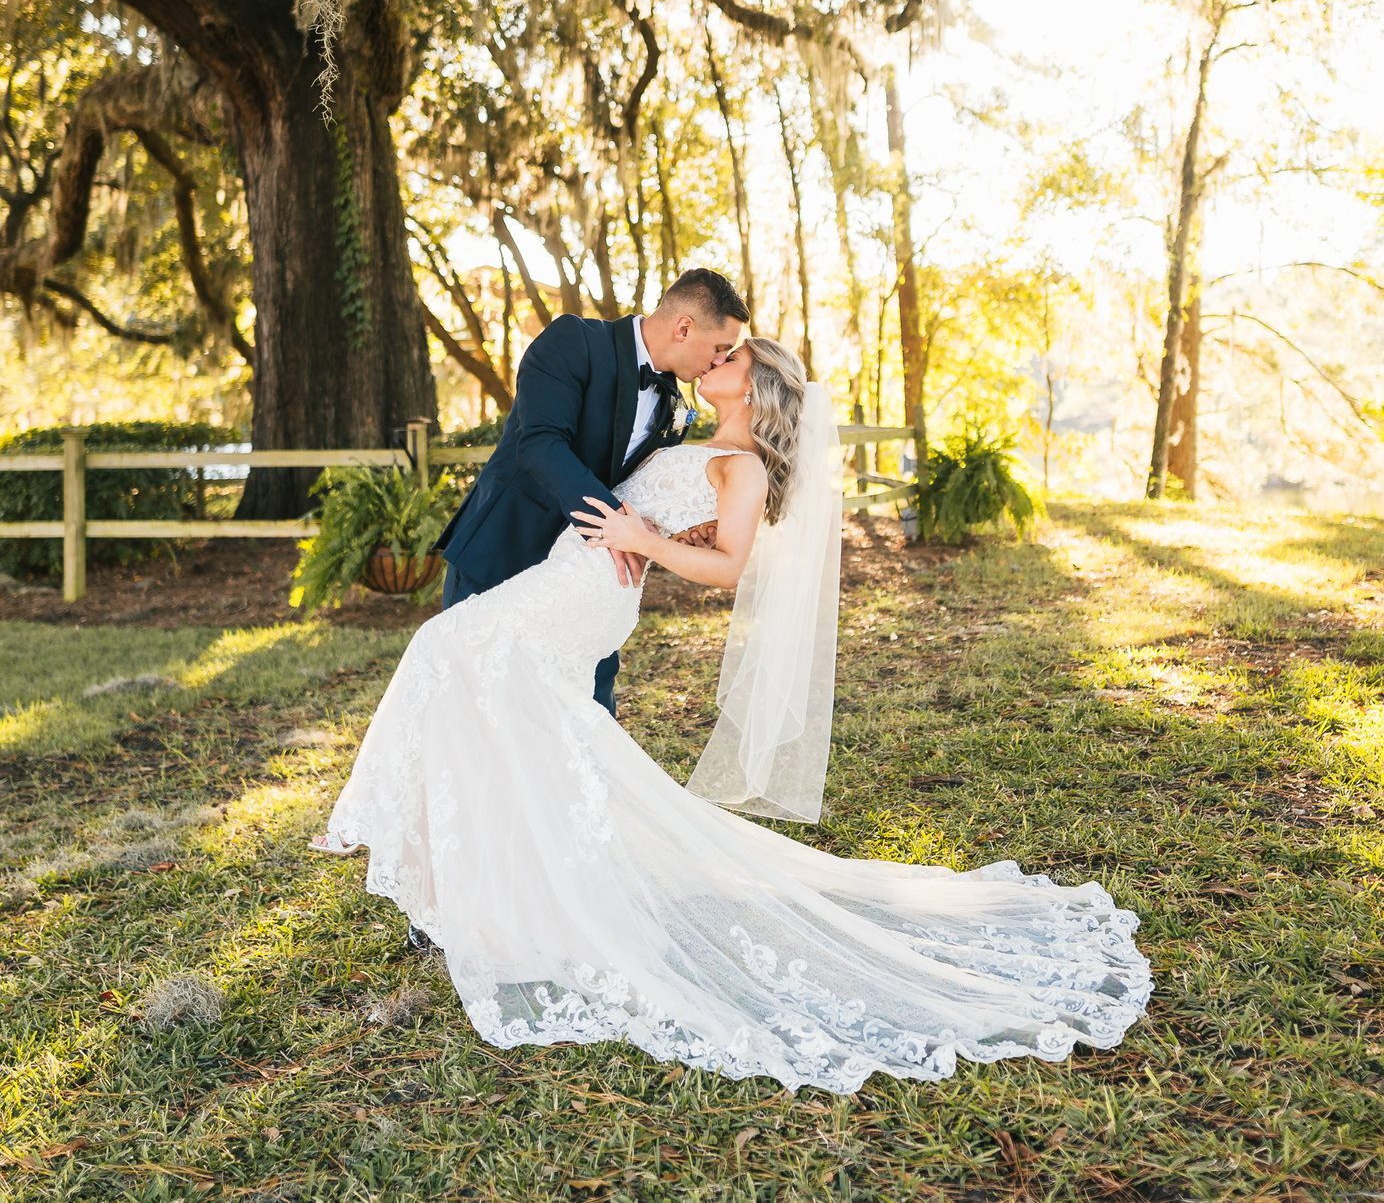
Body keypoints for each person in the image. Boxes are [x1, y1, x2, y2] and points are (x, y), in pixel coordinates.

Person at [312, 338, 1152, 1094]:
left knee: (445, 651)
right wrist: (636, 529)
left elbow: (725, 567)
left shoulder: (742, 468)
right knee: (506, 710)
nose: (716, 357)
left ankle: (409, 851)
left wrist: (643, 544)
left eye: (733, 355)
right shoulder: (691, 437)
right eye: (718, 349)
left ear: (759, 386)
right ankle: (482, 889)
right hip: (574, 576)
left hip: (588, 591)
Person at [434, 266, 749, 717]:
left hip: (590, 582)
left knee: (587, 715)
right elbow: (539, 442)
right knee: (473, 704)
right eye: (720, 348)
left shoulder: (675, 408)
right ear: (684, 327)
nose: (720, 361)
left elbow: (643, 490)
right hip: (504, 551)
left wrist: (672, 532)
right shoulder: (574, 341)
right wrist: (619, 518)